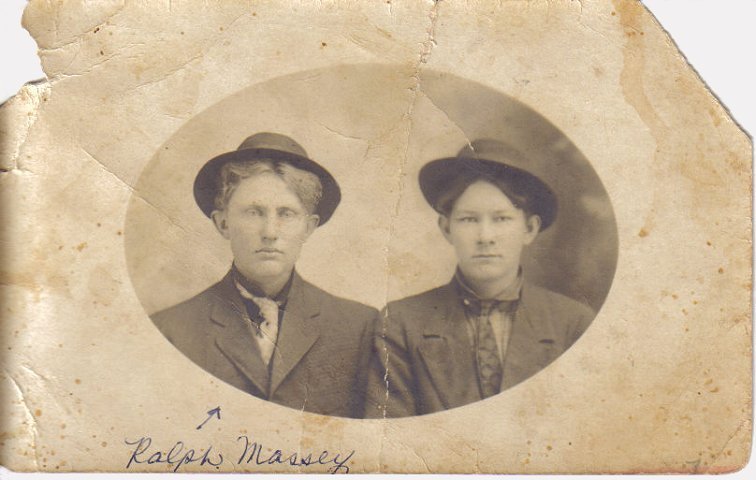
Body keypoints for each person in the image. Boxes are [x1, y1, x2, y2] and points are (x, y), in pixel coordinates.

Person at [152, 132, 376, 418]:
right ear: (223, 223)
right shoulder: (172, 330)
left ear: (308, 227)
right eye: (253, 212)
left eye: (286, 214)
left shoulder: (358, 328)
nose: (270, 232)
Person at [367, 139, 595, 418]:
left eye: (501, 219)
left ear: (529, 229)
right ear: (446, 228)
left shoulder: (572, 323)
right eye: (469, 220)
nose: (485, 237)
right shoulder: (402, 324)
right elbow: (390, 439)